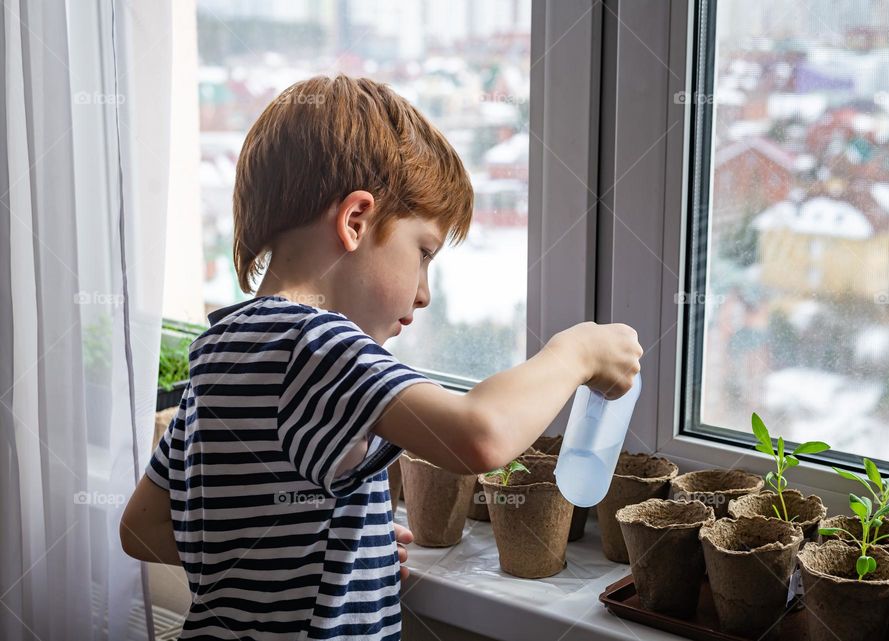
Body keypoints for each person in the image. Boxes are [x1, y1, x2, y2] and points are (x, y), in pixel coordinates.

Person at [120, 74, 642, 640]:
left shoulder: (223, 353)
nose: (424, 292)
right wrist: (575, 352)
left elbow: (143, 528)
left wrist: (307, 547)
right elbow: (478, 436)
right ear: (355, 221)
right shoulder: (316, 343)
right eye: (422, 254)